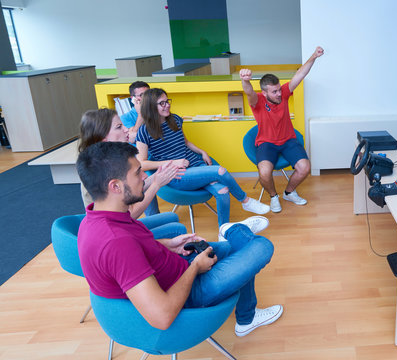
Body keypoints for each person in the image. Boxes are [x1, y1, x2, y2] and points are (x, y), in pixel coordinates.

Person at [76, 141, 283, 336]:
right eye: (137, 173)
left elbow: (134, 254)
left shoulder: (98, 217)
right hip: (189, 293)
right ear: (115, 186)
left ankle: (247, 318)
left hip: (178, 266)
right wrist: (196, 268)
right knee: (261, 246)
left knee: (239, 249)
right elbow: (162, 317)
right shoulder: (116, 243)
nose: (144, 178)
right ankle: (232, 229)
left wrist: (168, 246)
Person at [135, 88, 270, 226]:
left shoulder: (174, 119)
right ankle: (245, 200)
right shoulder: (144, 131)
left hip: (196, 165)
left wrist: (201, 152)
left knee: (222, 191)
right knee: (220, 171)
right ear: (151, 107)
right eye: (162, 103)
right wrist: (173, 162)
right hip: (177, 174)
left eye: (167, 101)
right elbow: (142, 163)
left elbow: (185, 142)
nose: (167, 105)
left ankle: (223, 231)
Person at [240, 46, 324, 213]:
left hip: (288, 141)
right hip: (266, 143)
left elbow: (300, 74)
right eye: (274, 91)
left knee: (305, 168)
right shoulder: (257, 102)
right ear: (264, 93)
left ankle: (289, 193)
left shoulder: (284, 93)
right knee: (264, 172)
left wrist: (314, 56)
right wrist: (245, 80)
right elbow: (249, 92)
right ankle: (273, 196)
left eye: (279, 89)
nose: (279, 94)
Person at [79, 108, 185, 239]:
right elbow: (130, 213)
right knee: (176, 229)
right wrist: (156, 184)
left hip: (124, 224)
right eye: (119, 127)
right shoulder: (103, 171)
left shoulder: (111, 159)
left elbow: (132, 188)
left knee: (172, 217)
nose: (126, 129)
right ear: (103, 139)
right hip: (119, 233)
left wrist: (158, 177)